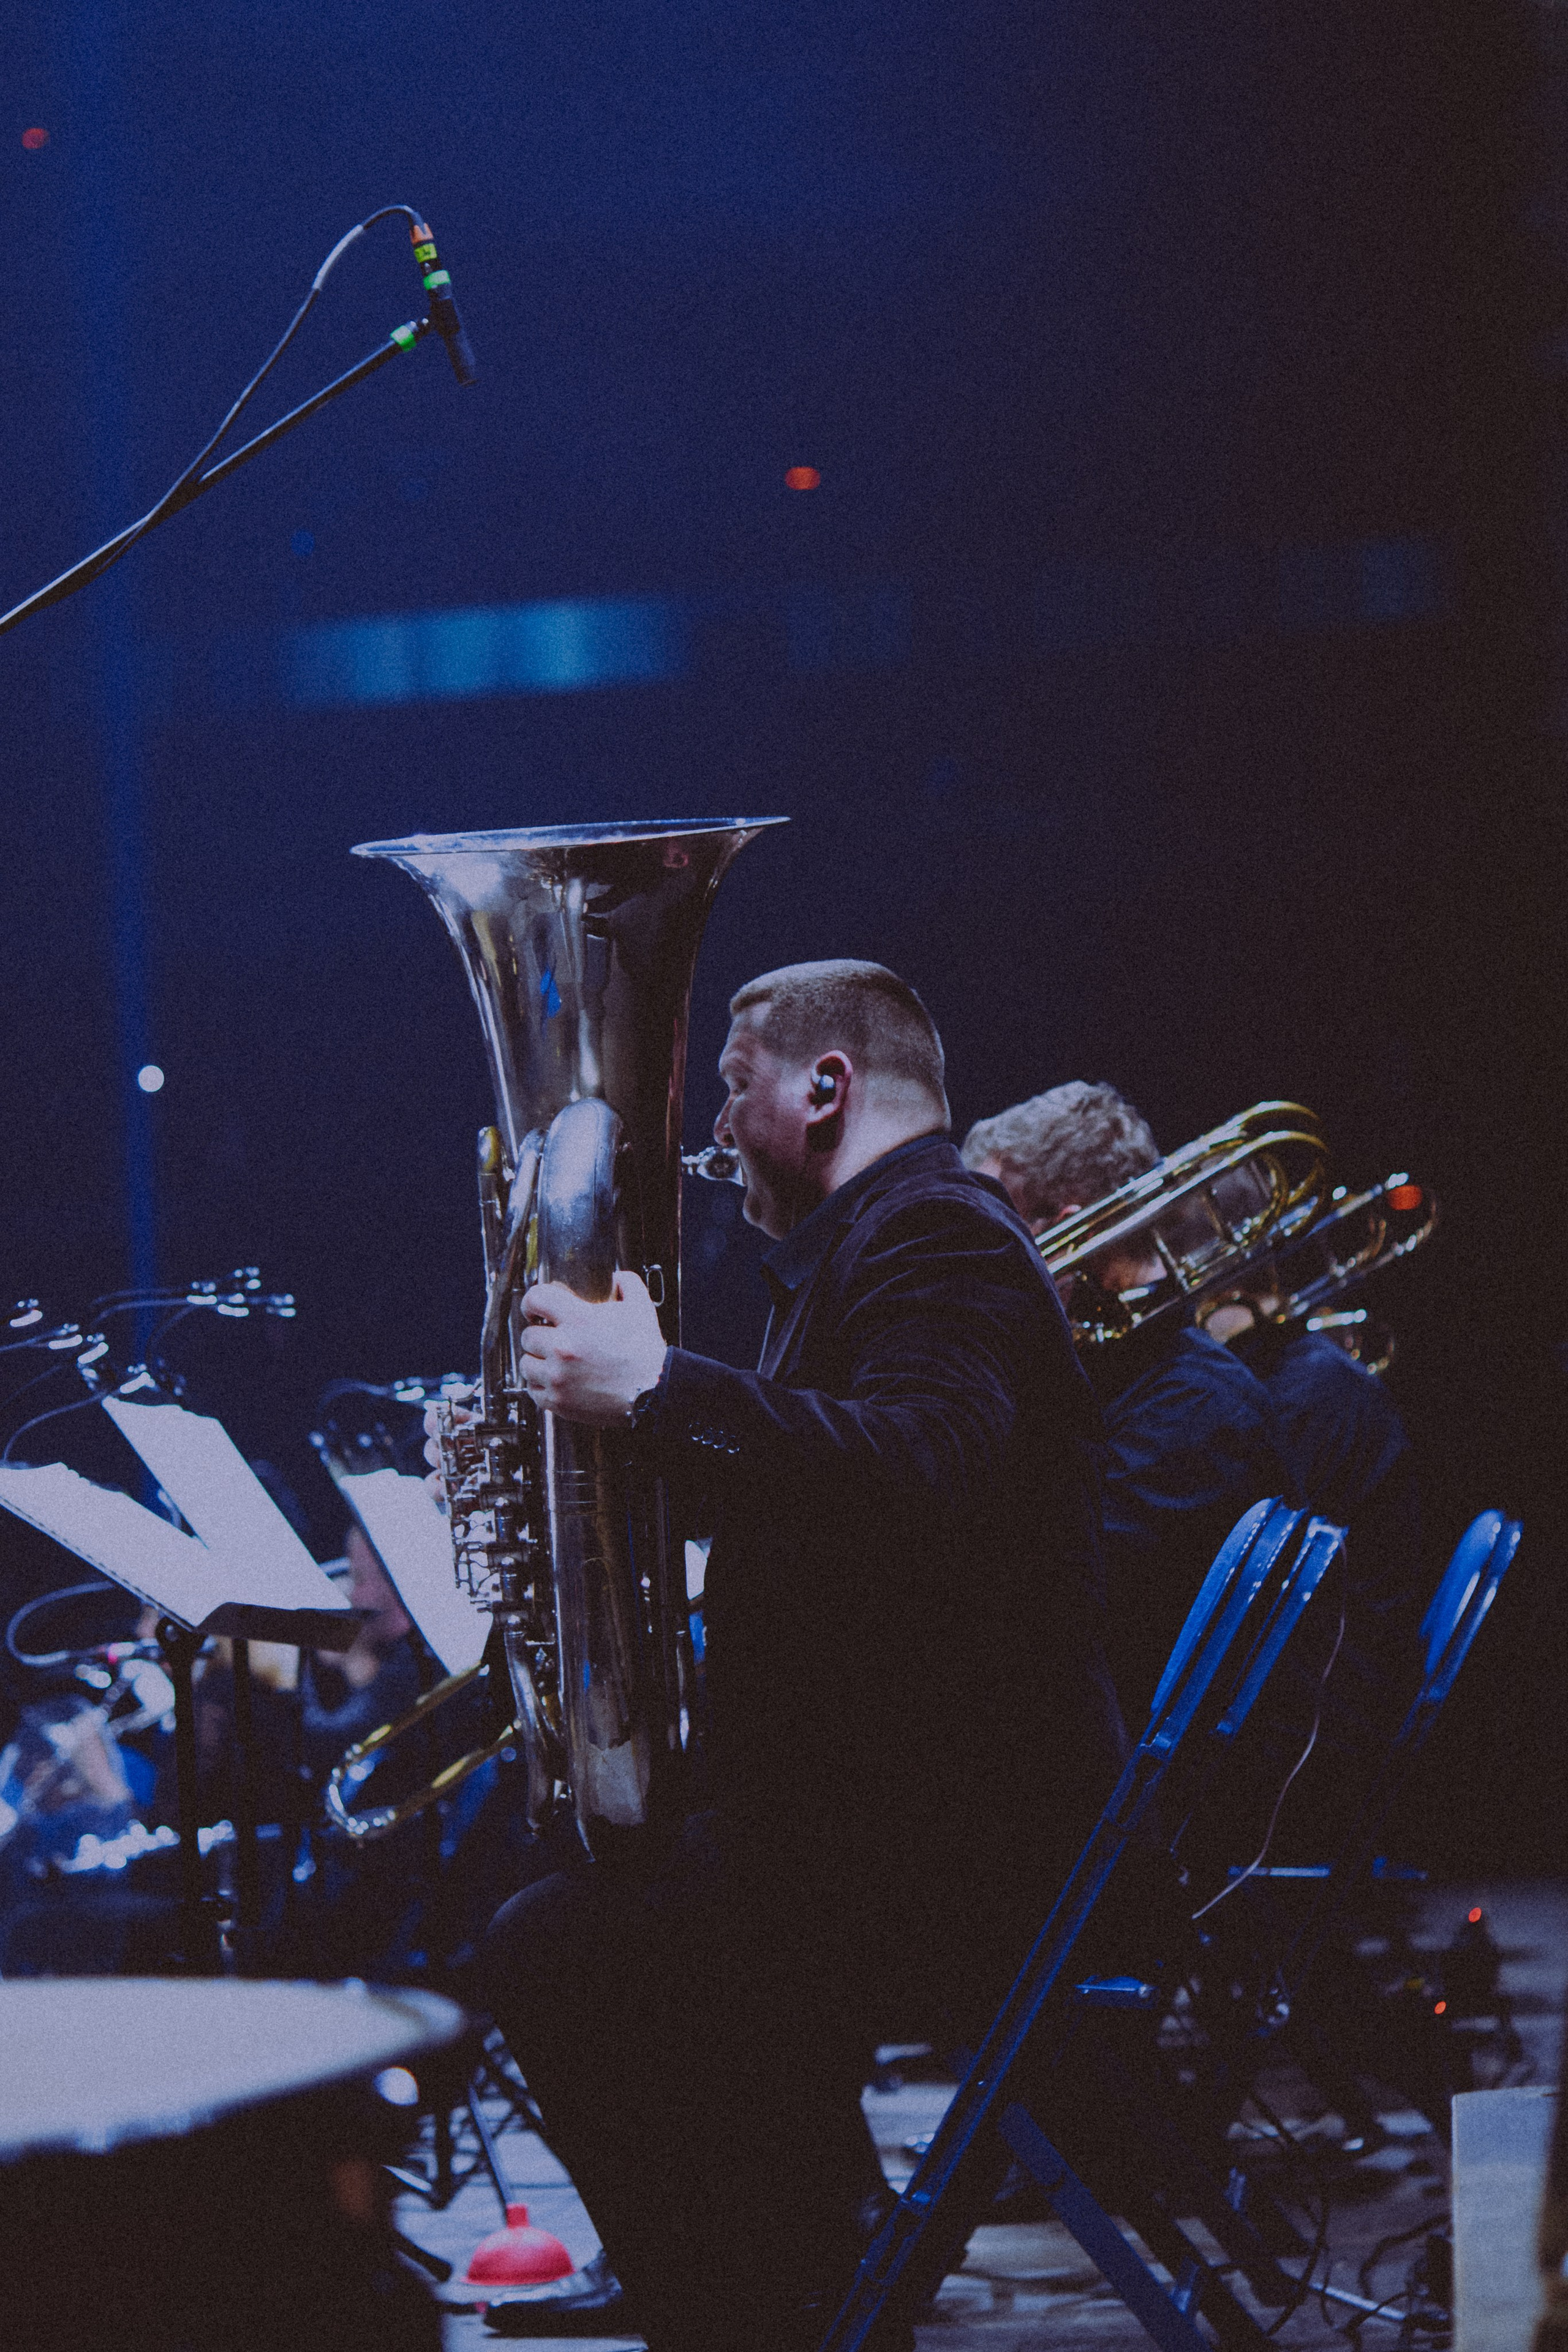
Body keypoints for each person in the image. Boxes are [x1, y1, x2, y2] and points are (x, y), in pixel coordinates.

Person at [478, 960, 1125, 2352]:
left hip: (961, 1847)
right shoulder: (875, 1239)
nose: (712, 1128)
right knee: (602, 1909)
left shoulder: (937, 1230)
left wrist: (654, 1386)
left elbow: (916, 1467)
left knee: (554, 1948)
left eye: (732, 1087)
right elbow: (835, 1500)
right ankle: (801, 2270)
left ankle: (747, 2308)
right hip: (906, 1815)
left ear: (825, 1087)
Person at [962, 1081, 1295, 1731]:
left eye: (988, 1233)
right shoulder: (1110, 1376)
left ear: (1067, 1233)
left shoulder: (1199, 1411)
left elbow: (1033, 1613)